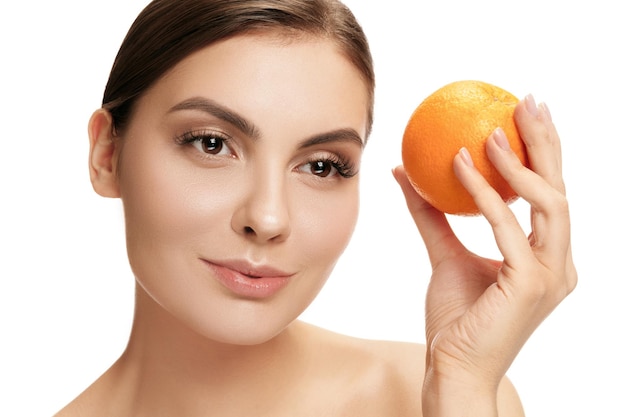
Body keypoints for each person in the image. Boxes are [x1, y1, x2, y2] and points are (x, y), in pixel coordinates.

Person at [55, 0, 576, 415]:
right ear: (108, 154)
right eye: (211, 143)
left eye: (322, 165)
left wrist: (461, 387)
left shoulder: (445, 394)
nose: (269, 218)